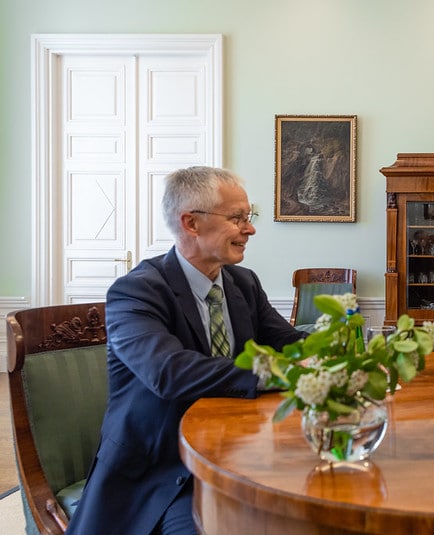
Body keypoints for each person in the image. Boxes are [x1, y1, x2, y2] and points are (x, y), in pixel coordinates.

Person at [67, 166, 306, 534]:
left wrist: (347, 352)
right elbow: (169, 373)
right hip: (163, 471)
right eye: (237, 218)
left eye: (249, 216)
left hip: (238, 452)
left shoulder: (243, 282)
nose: (250, 229)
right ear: (191, 223)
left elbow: (289, 342)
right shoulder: (136, 291)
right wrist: (282, 372)